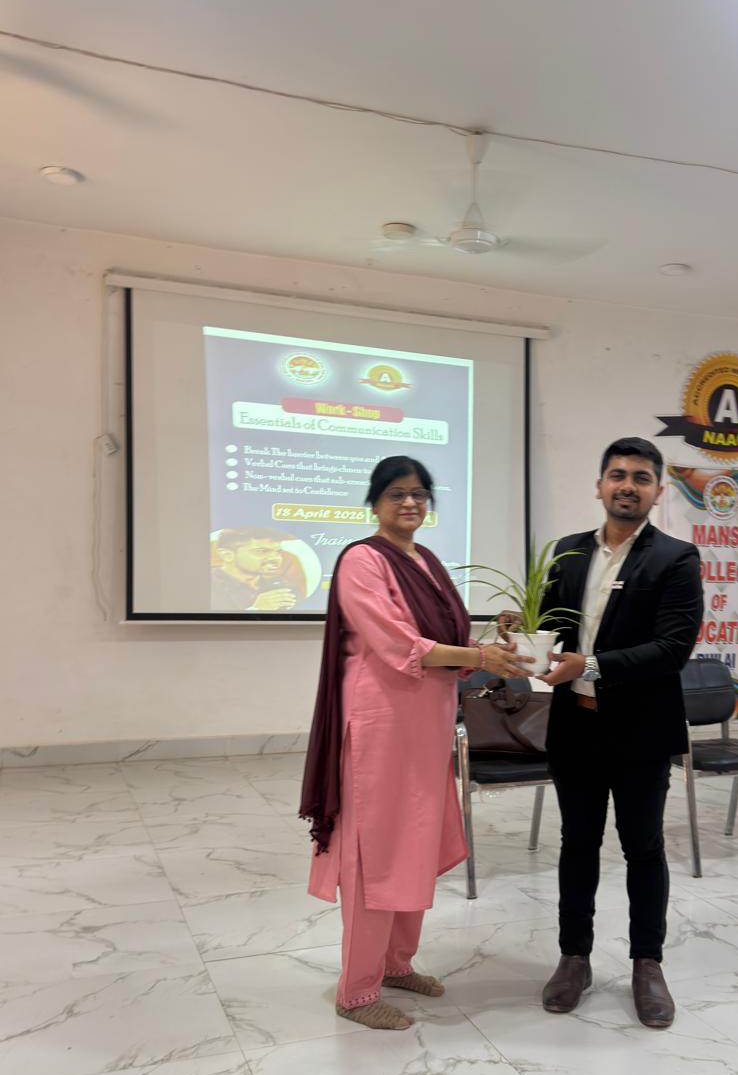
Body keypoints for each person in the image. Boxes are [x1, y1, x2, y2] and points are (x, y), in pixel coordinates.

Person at [299, 455, 533, 1031]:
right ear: (375, 502)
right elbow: (398, 643)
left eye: (420, 494)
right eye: (397, 493)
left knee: (413, 845)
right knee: (374, 853)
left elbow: (444, 644)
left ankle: (396, 964)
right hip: (379, 728)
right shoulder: (362, 560)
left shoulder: (425, 561)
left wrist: (492, 641)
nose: (410, 502)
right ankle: (357, 991)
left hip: (426, 729)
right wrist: (478, 655)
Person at [529, 438, 702, 1027]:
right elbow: (548, 625)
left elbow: (672, 648)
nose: (628, 485)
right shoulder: (567, 552)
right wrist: (522, 633)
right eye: (618, 475)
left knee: (643, 848)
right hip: (574, 726)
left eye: (641, 477)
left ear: (658, 491)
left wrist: (593, 665)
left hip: (640, 732)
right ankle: (573, 958)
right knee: (577, 844)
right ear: (600, 485)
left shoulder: (676, 559)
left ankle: (647, 964)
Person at [210, 527, 300, 612]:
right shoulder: (207, 586)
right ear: (227, 555)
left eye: (278, 552)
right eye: (261, 551)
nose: (275, 558)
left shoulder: (281, 584)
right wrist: (256, 609)